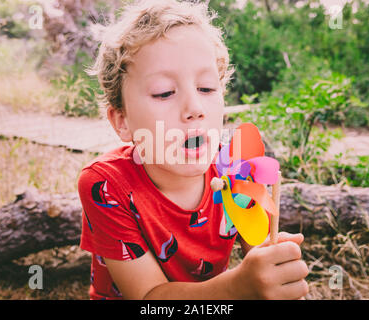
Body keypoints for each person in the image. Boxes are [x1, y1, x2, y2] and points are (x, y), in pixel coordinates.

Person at [78, 0, 309, 300]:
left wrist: (271, 267)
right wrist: (239, 286)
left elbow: (258, 246)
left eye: (207, 89)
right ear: (122, 121)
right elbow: (148, 297)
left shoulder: (238, 166)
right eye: (164, 92)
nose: (194, 108)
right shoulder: (106, 185)